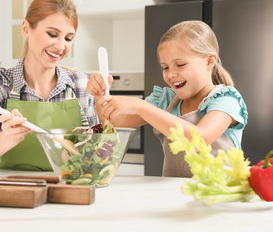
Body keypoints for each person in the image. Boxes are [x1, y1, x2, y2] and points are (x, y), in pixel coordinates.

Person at [0, 0, 99, 171]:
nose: (61, 46)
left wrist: (105, 110)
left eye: (68, 38)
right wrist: (6, 137)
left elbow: (97, 153)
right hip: (16, 192)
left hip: (70, 189)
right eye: (52, 34)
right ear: (26, 28)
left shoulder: (80, 85)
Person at [87, 20, 248, 178]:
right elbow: (114, 122)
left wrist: (140, 106)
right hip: (174, 196)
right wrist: (100, 94)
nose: (171, 74)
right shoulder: (166, 100)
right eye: (165, 67)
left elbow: (200, 139)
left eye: (180, 64)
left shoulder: (225, 99)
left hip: (220, 197)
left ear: (209, 61)